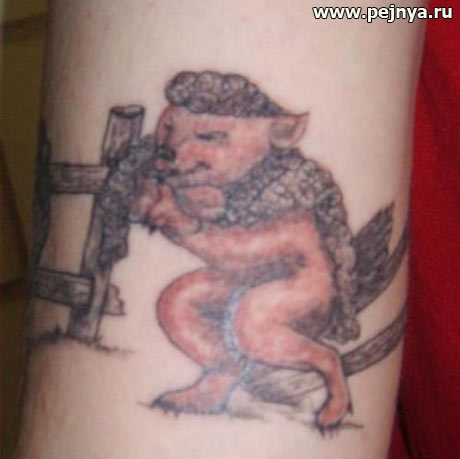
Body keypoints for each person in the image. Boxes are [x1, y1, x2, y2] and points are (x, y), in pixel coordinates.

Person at [15, 1, 429, 458]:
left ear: (282, 133)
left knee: (250, 321)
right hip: (245, 279)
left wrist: (180, 224)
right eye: (169, 128)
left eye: (210, 137)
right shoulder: (219, 183)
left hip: (301, 288)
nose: (176, 148)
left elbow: (240, 252)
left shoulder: (293, 193)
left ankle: (329, 370)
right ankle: (222, 373)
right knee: (178, 302)